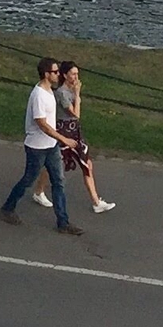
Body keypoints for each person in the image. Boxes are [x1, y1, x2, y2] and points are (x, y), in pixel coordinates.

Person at [0, 58, 82, 234]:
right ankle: (7, 209)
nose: (58, 74)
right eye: (55, 72)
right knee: (28, 179)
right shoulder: (38, 95)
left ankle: (63, 222)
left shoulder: (50, 91)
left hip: (51, 146)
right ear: (46, 74)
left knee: (59, 181)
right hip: (37, 147)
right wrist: (63, 139)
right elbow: (42, 124)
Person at [42, 61, 115, 215]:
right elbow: (76, 114)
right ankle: (38, 190)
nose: (76, 77)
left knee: (87, 164)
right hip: (64, 132)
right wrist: (77, 94)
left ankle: (96, 202)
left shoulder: (70, 90)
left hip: (75, 133)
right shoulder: (62, 93)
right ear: (64, 75)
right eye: (73, 74)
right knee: (54, 165)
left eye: (77, 74)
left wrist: (76, 94)